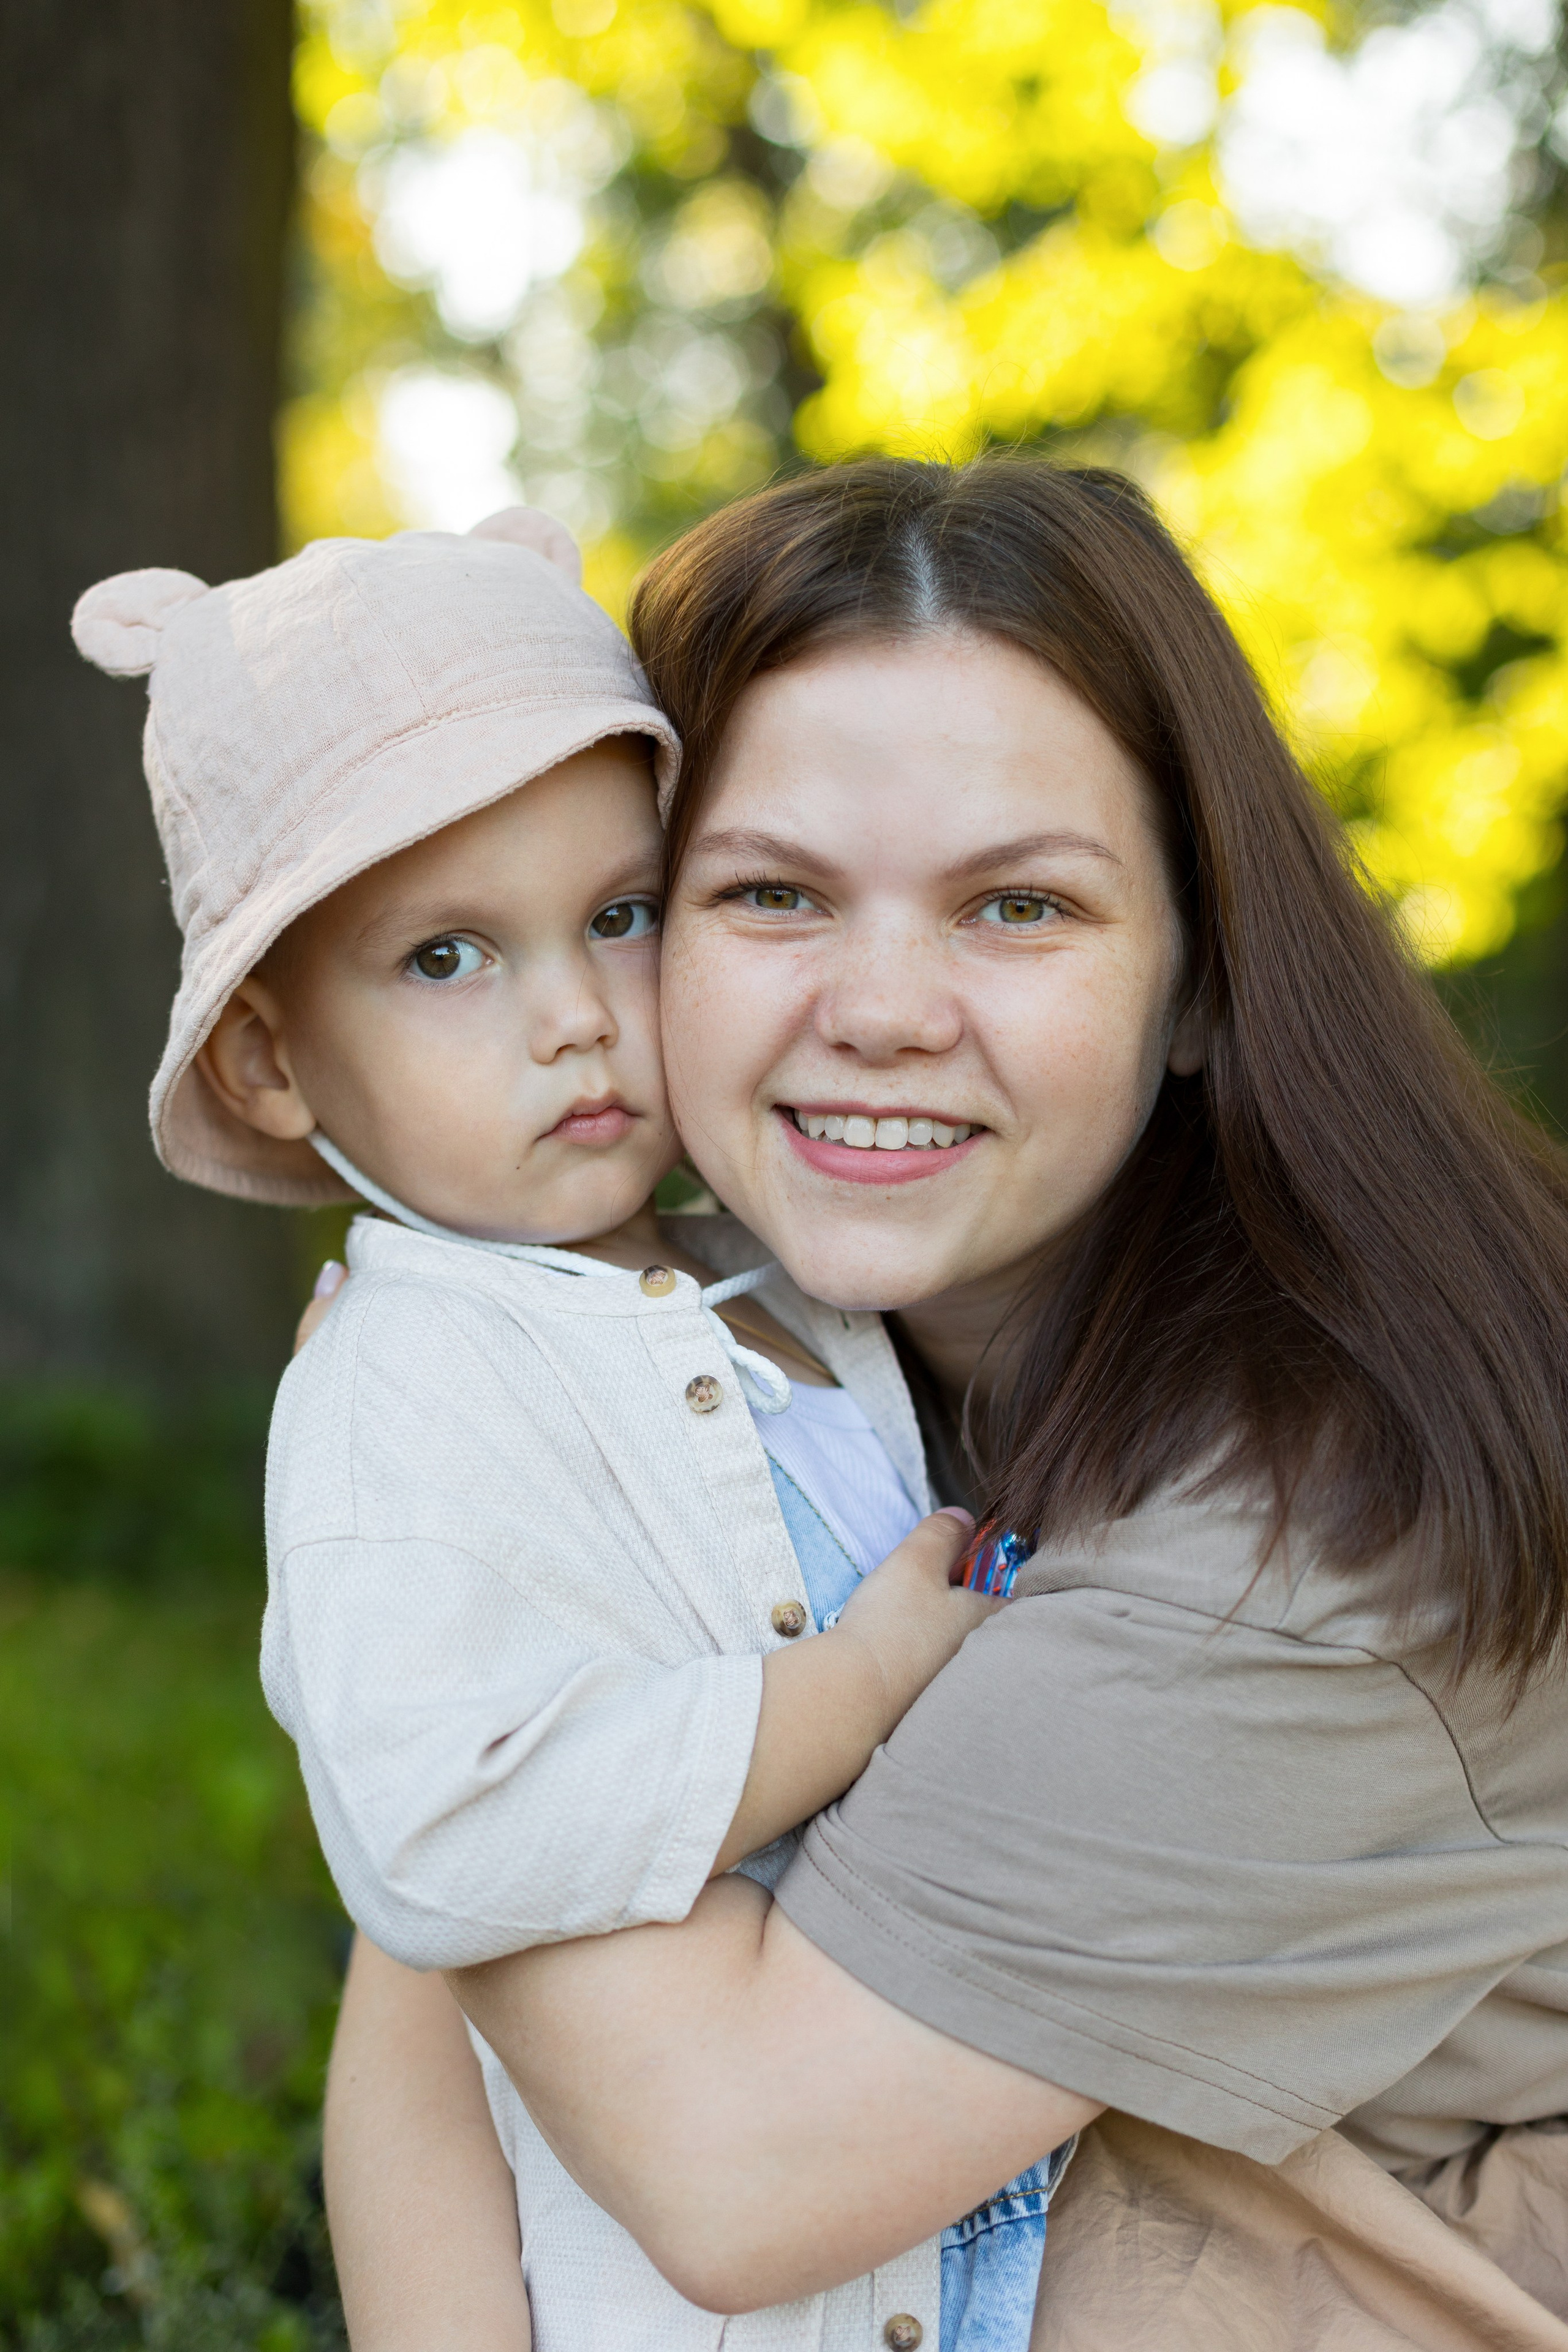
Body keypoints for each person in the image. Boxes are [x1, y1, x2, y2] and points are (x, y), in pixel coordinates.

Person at [327, 456, 1568, 2351]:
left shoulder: (1306, 1526)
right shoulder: (778, 1372)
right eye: (764, 892)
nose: (885, 1005)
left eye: (1017, 909)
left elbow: (729, 2170)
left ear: (1200, 983)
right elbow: (442, 1900)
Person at [69, 508, 1065, 2352]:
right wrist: (847, 1693)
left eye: (617, 919)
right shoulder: (400, 1395)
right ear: (273, 1061)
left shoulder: (790, 1278)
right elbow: (450, 1838)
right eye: (445, 959)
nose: (572, 1025)